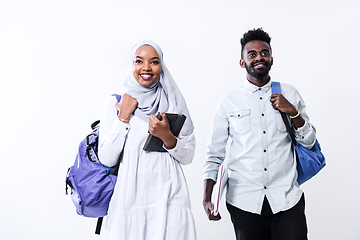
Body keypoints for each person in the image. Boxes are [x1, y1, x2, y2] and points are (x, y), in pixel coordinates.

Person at [203, 28, 316, 240]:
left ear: (272, 59)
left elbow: (309, 142)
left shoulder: (289, 93)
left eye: (264, 53)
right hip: (243, 201)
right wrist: (207, 197)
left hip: (287, 199)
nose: (259, 57)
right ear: (242, 62)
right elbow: (214, 154)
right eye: (252, 54)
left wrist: (293, 112)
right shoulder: (229, 102)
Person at [98, 41, 197, 240]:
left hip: (169, 195)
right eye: (139, 61)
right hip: (129, 197)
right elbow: (106, 159)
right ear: (131, 64)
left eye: (154, 62)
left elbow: (188, 156)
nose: (146, 68)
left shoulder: (173, 102)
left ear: (161, 67)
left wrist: (167, 137)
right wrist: (123, 118)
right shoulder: (116, 103)